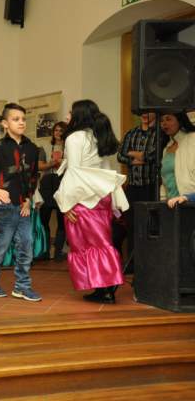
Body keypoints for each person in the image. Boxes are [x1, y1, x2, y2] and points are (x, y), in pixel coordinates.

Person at [54, 100, 128, 304]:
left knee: (86, 244)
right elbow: (105, 170)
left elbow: (74, 172)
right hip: (101, 196)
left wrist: (66, 203)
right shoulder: (97, 136)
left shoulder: (75, 137)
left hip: (83, 198)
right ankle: (105, 286)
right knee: (101, 242)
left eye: (70, 112)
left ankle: (105, 288)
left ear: (79, 115)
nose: (67, 116)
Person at [0, 103, 41, 302]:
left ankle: (22, 286)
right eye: (16, 119)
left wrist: (28, 199)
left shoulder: (32, 148)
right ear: (5, 123)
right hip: (3, 204)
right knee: (1, 245)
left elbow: (33, 176)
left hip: (23, 205)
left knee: (26, 244)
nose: (21, 122)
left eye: (23, 119)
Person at [116, 112, 160, 266]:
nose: (144, 114)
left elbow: (154, 156)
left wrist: (133, 155)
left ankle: (150, 263)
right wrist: (138, 157)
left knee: (151, 225)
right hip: (132, 187)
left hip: (152, 187)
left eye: (148, 111)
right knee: (131, 225)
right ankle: (133, 264)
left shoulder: (159, 133)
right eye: (142, 112)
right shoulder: (131, 133)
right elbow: (120, 156)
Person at [37, 121, 67, 261]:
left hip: (63, 184)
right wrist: (52, 163)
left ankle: (58, 252)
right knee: (44, 219)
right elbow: (39, 166)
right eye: (56, 130)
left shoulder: (70, 147)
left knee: (62, 220)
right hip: (47, 184)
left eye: (61, 130)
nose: (58, 133)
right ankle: (45, 251)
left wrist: (63, 163)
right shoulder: (45, 146)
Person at [159, 112, 195, 200]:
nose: (164, 123)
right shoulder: (166, 148)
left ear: (180, 121)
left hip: (188, 201)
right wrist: (163, 199)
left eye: (168, 119)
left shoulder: (192, 139)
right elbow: (164, 179)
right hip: (171, 203)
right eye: (161, 121)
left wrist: (189, 197)